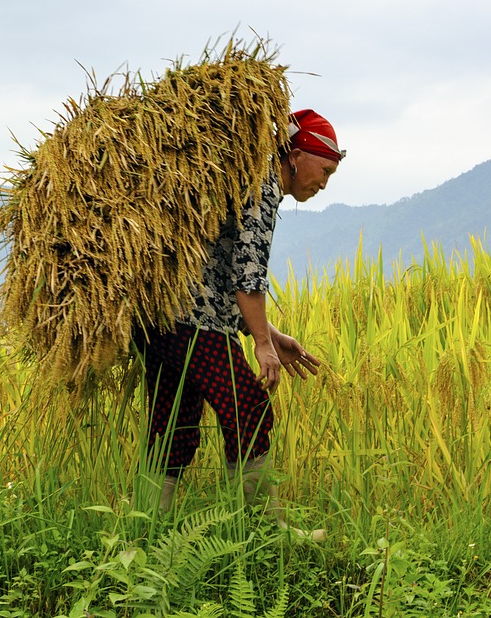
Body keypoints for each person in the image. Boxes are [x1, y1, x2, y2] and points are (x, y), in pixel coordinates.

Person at [136, 109, 342, 535]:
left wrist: (268, 334)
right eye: (323, 170)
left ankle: (146, 533)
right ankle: (266, 532)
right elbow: (247, 276)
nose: (323, 183)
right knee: (250, 409)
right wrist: (262, 345)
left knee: (173, 425)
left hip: (160, 320)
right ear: (296, 156)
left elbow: (220, 267)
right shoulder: (262, 187)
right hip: (195, 322)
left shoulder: (248, 181)